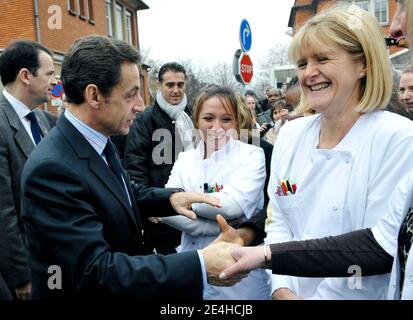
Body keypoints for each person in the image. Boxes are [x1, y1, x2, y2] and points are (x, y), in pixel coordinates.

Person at [20, 35, 241, 299]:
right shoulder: (52, 170)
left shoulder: (97, 139)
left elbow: (120, 192)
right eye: (131, 94)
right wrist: (201, 263)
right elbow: (95, 271)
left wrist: (170, 199)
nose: (140, 105)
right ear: (94, 95)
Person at [264, 4, 413, 300]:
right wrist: (280, 288)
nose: (309, 73)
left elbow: (374, 250)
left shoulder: (398, 138)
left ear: (364, 65)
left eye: (322, 59)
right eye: (303, 63)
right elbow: (278, 221)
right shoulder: (290, 136)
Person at [156, 85, 271, 300]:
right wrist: (208, 226)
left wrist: (185, 201)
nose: (216, 127)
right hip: (191, 266)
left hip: (237, 274)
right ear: (197, 120)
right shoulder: (186, 158)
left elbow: (230, 206)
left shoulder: (252, 155)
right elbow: (165, 209)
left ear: (236, 121)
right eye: (208, 118)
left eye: (226, 119)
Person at [0, 39, 57, 300]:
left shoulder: (44, 121)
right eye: (49, 74)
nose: (55, 82)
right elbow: (3, 210)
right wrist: (21, 274)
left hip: (53, 259)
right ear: (25, 76)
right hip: (25, 268)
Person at [124, 62, 193, 255]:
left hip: (193, 208)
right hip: (160, 215)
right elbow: (135, 166)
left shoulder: (194, 116)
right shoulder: (144, 121)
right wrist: (149, 206)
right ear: (159, 86)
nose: (176, 90)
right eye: (170, 85)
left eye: (180, 85)